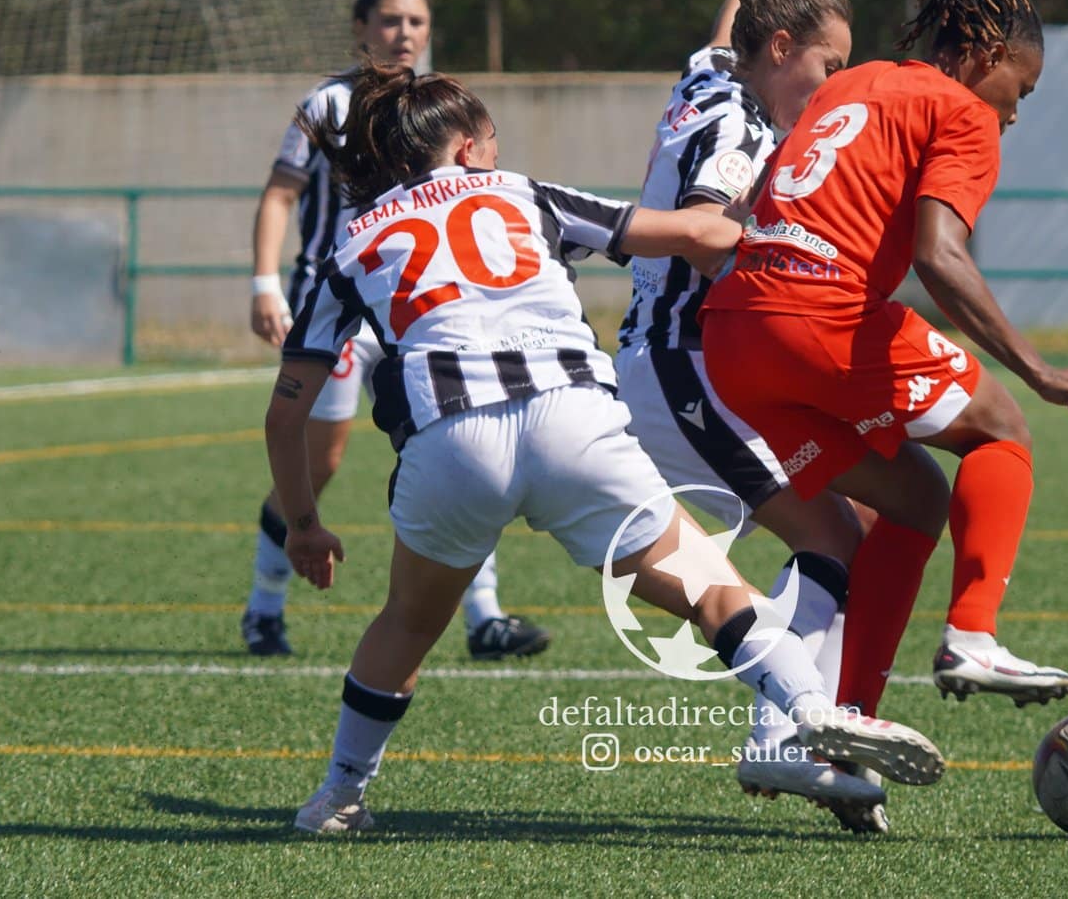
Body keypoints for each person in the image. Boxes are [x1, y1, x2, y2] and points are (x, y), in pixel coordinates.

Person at [267, 63, 944, 834]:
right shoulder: (521, 191)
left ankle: (339, 796)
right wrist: (788, 249)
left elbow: (286, 414)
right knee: (714, 595)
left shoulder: (353, 240)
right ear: (463, 148)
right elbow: (692, 232)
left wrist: (303, 524)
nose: (495, 151)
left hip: (453, 443)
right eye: (489, 140)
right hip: (576, 428)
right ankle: (811, 709)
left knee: (406, 625)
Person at [701, 0, 1068, 724]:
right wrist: (1039, 371)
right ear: (986, 53)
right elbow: (940, 257)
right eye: (1019, 87)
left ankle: (850, 718)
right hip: (818, 314)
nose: (1015, 111)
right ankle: (974, 635)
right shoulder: (962, 113)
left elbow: (751, 203)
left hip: (734, 337)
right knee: (1001, 430)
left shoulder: (851, 82)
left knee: (916, 501)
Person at [615, 0, 889, 830]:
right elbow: (703, 228)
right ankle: (785, 734)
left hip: (686, 365)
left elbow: (730, 32)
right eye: (831, 64)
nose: (837, 83)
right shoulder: (740, 126)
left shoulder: (709, 77)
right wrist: (783, 237)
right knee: (840, 536)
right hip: (683, 364)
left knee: (847, 521)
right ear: (782, 52)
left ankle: (799, 727)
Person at [243, 0, 549, 662]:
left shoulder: (438, 105)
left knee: (462, 436)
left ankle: (485, 617)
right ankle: (264, 606)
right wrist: (265, 283)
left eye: (416, 21)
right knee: (319, 464)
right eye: (389, 19)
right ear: (361, 29)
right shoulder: (326, 104)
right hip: (340, 305)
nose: (403, 33)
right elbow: (281, 194)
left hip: (417, 306)